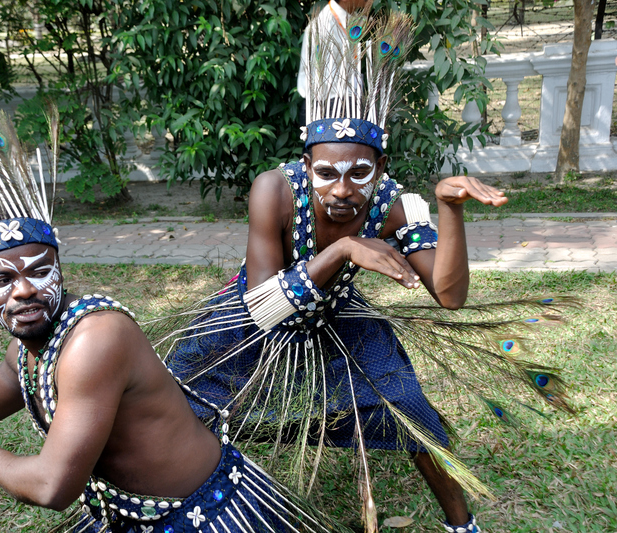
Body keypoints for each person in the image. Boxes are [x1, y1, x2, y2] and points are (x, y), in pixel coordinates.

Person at [0, 108, 355, 533]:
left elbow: (54, 487)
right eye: (3, 281)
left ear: (59, 268)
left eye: (39, 271)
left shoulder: (95, 338)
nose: (25, 289)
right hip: (128, 514)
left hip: (202, 516)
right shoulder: (29, 345)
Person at [155, 7, 574, 533]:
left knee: (411, 412)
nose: (343, 190)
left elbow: (449, 296)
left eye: (360, 173)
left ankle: (463, 524)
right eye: (326, 173)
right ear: (305, 167)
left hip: (337, 317)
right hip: (252, 317)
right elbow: (261, 306)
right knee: (178, 401)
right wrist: (342, 250)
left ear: (381, 169)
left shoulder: (396, 204)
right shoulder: (274, 189)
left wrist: (450, 208)